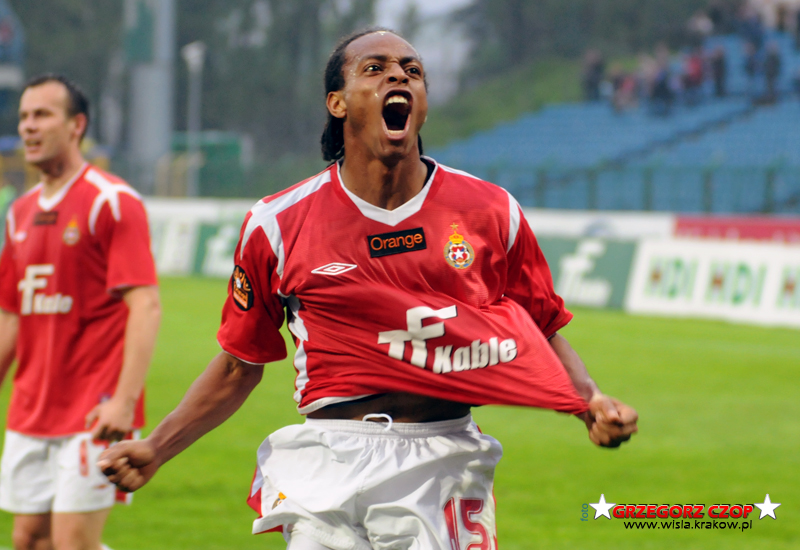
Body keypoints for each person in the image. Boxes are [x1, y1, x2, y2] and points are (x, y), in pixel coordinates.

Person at [99, 29, 638, 550]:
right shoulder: (277, 223)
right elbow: (240, 365)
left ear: (422, 103)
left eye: (412, 70)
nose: (398, 76)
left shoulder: (491, 211)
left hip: (442, 458)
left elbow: (540, 328)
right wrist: (157, 447)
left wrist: (588, 402)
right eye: (374, 68)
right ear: (337, 102)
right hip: (326, 461)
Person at [0, 74, 160, 550]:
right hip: (31, 409)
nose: (28, 126)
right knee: (30, 540)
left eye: (42, 115)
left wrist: (123, 402)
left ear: (77, 126)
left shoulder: (110, 201)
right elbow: (11, 315)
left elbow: (146, 304)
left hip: (95, 408)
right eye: (24, 116)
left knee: (72, 542)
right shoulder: (18, 213)